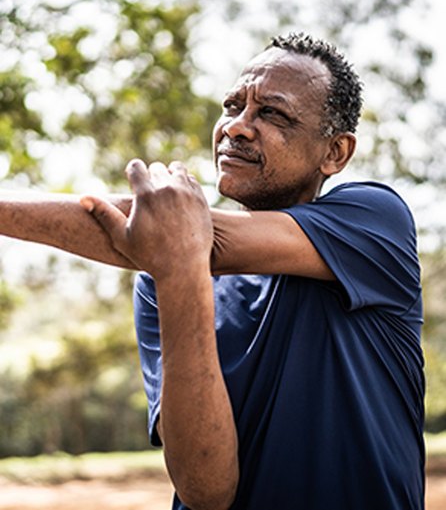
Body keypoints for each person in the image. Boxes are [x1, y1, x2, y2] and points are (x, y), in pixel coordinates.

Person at [0, 32, 424, 510]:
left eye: (272, 114)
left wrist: (171, 250)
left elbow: (180, 235)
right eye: (232, 106)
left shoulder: (374, 221)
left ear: (335, 153)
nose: (237, 127)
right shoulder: (159, 280)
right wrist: (177, 273)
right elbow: (207, 490)